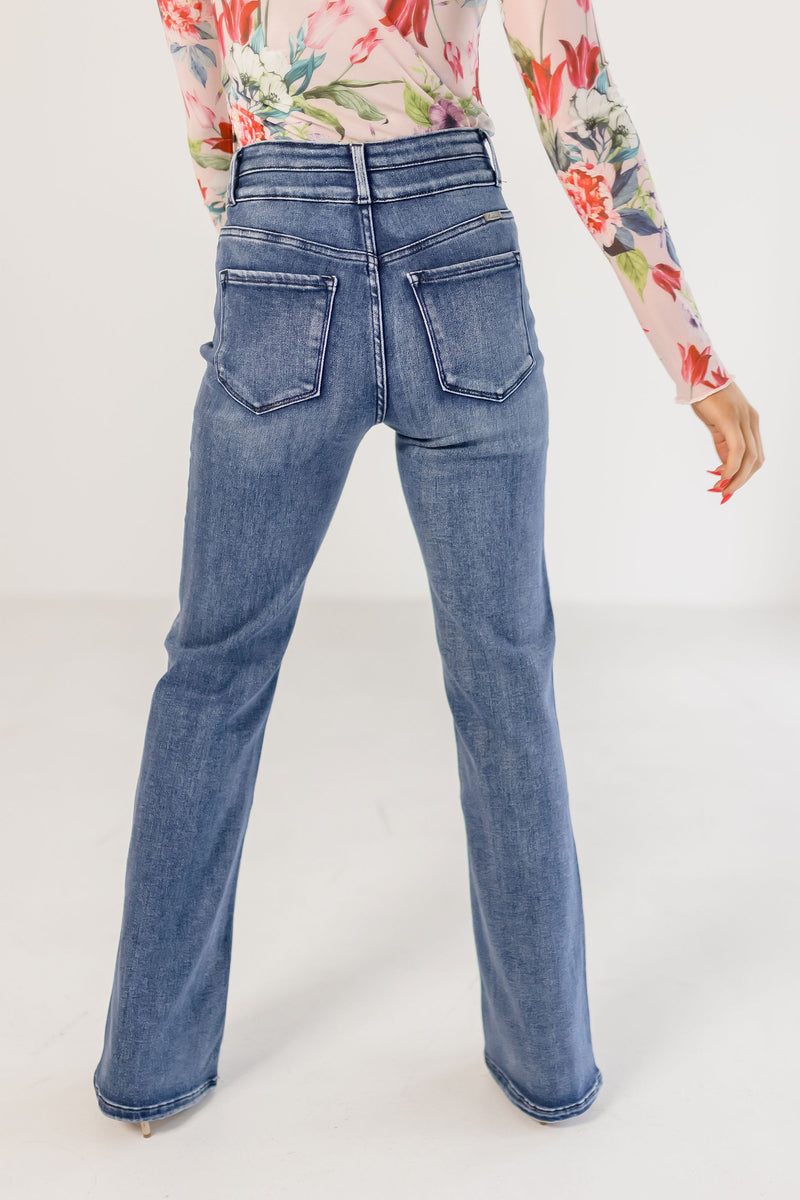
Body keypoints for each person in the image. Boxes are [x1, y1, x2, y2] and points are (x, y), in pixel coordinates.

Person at [93, 0, 764, 1136]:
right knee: (505, 680)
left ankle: (149, 1066)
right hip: (457, 246)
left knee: (212, 673)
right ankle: (548, 1066)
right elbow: (576, 100)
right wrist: (691, 358)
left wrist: (262, 244)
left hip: (276, 235)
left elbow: (202, 84)